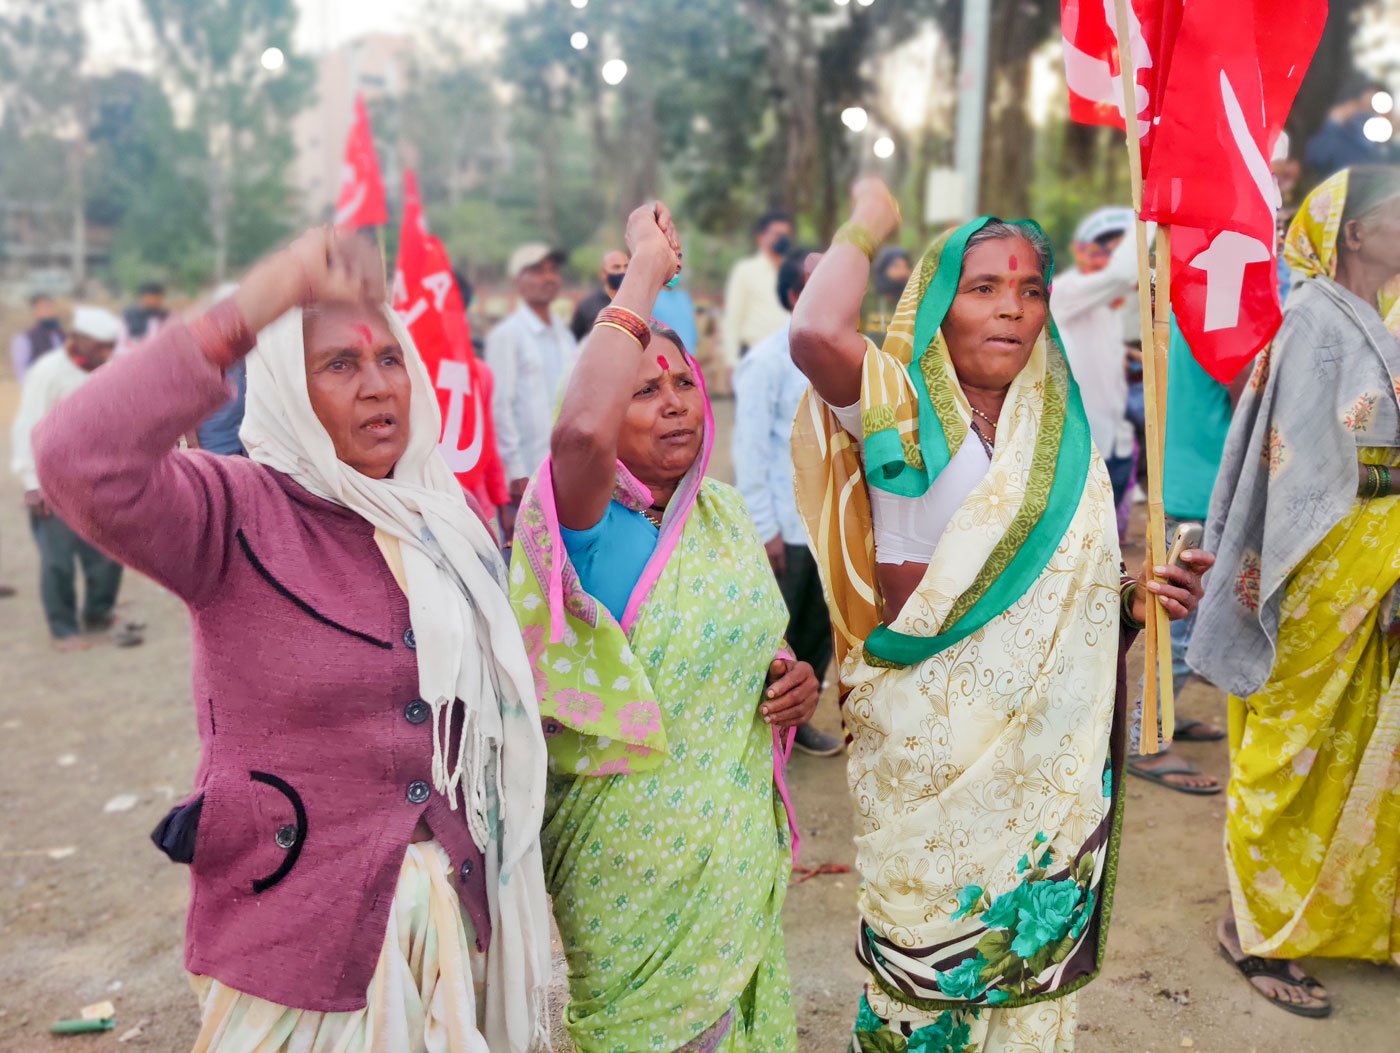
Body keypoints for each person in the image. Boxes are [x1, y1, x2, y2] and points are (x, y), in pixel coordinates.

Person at [30, 228, 553, 1051]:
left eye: (388, 359)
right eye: (339, 365)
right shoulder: (232, 514)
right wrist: (244, 313)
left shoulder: (443, 521)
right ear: (282, 386)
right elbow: (76, 455)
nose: (379, 385)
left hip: (447, 929)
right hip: (293, 941)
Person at [788, 178, 1212, 1050]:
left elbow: (1071, 603)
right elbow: (815, 332)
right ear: (938, 303)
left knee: (1024, 992)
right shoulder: (897, 407)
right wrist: (869, 218)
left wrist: (1137, 600)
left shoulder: (1055, 435)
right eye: (983, 287)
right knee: (922, 978)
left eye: (1029, 291)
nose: (1011, 310)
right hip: (923, 758)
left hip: (1036, 775)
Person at [510, 202, 815, 1050]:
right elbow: (577, 432)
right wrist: (644, 269)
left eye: (684, 383)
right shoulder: (583, 523)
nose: (675, 403)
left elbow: (761, 648)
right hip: (627, 882)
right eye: (644, 390)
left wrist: (793, 680)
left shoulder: (717, 517)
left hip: (729, 862)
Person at [1191, 166, 1400, 1019]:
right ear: (1353, 234)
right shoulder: (1315, 321)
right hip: (1323, 564)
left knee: (1365, 743)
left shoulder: (1378, 319)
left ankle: (1355, 916)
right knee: (1293, 739)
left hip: (1379, 553)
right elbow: (1298, 472)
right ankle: (1252, 928)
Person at [1125, 317, 1243, 794]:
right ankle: (1144, 739)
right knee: (1179, 630)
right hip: (1207, 493)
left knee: (1182, 627)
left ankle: (1161, 718)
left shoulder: (1187, 307)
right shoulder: (1232, 320)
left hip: (1182, 479)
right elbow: (1251, 413)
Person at [733, 247, 843, 758]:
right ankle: (757, 740)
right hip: (787, 529)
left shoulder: (849, 355)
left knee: (821, 636)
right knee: (776, 639)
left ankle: (795, 734)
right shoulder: (766, 363)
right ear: (795, 295)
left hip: (833, 527)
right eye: (819, 281)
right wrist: (764, 529)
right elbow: (750, 452)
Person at [11, 306, 134, 651]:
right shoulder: (48, 372)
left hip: (99, 480)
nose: (107, 353)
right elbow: (27, 427)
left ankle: (98, 614)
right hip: (54, 482)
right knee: (58, 561)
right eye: (100, 346)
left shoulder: (111, 368)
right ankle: (63, 630)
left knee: (109, 556)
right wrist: (32, 483)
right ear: (77, 340)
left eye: (111, 345)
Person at [1051, 207, 1140, 531]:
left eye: (1120, 248)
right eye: (1104, 248)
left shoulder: (1113, 304)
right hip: (1081, 451)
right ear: (1080, 249)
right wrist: (1150, 219)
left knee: (1106, 547)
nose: (1110, 257)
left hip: (1116, 445)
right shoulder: (1066, 291)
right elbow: (1122, 274)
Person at [485, 242, 577, 517]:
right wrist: (514, 472)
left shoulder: (565, 337)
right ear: (518, 281)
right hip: (528, 474)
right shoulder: (508, 335)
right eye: (537, 270)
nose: (548, 277)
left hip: (569, 472)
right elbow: (500, 407)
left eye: (552, 270)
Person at [721, 210, 795, 368]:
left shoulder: (793, 272)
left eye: (786, 234)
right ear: (761, 237)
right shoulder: (745, 271)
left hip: (791, 359)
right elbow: (733, 318)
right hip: (756, 357)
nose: (782, 239)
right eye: (777, 234)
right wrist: (732, 362)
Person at [1304, 77, 1397, 177]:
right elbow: (1314, 157)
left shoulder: (1389, 151)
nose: (1368, 115)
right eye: (1362, 106)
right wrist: (1333, 123)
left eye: (1374, 109)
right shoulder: (1338, 138)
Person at [569, 249, 629, 341]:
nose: (623, 271)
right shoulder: (588, 306)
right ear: (603, 274)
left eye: (626, 266)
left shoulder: (639, 302)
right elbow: (573, 340)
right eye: (616, 267)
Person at [10, 292, 66, 380]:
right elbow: (21, 371)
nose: (49, 311)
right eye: (44, 308)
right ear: (35, 312)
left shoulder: (63, 336)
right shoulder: (24, 338)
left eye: (50, 307)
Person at [863, 246, 912, 343]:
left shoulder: (913, 302)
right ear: (883, 269)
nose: (902, 272)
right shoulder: (867, 300)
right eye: (896, 266)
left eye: (905, 266)